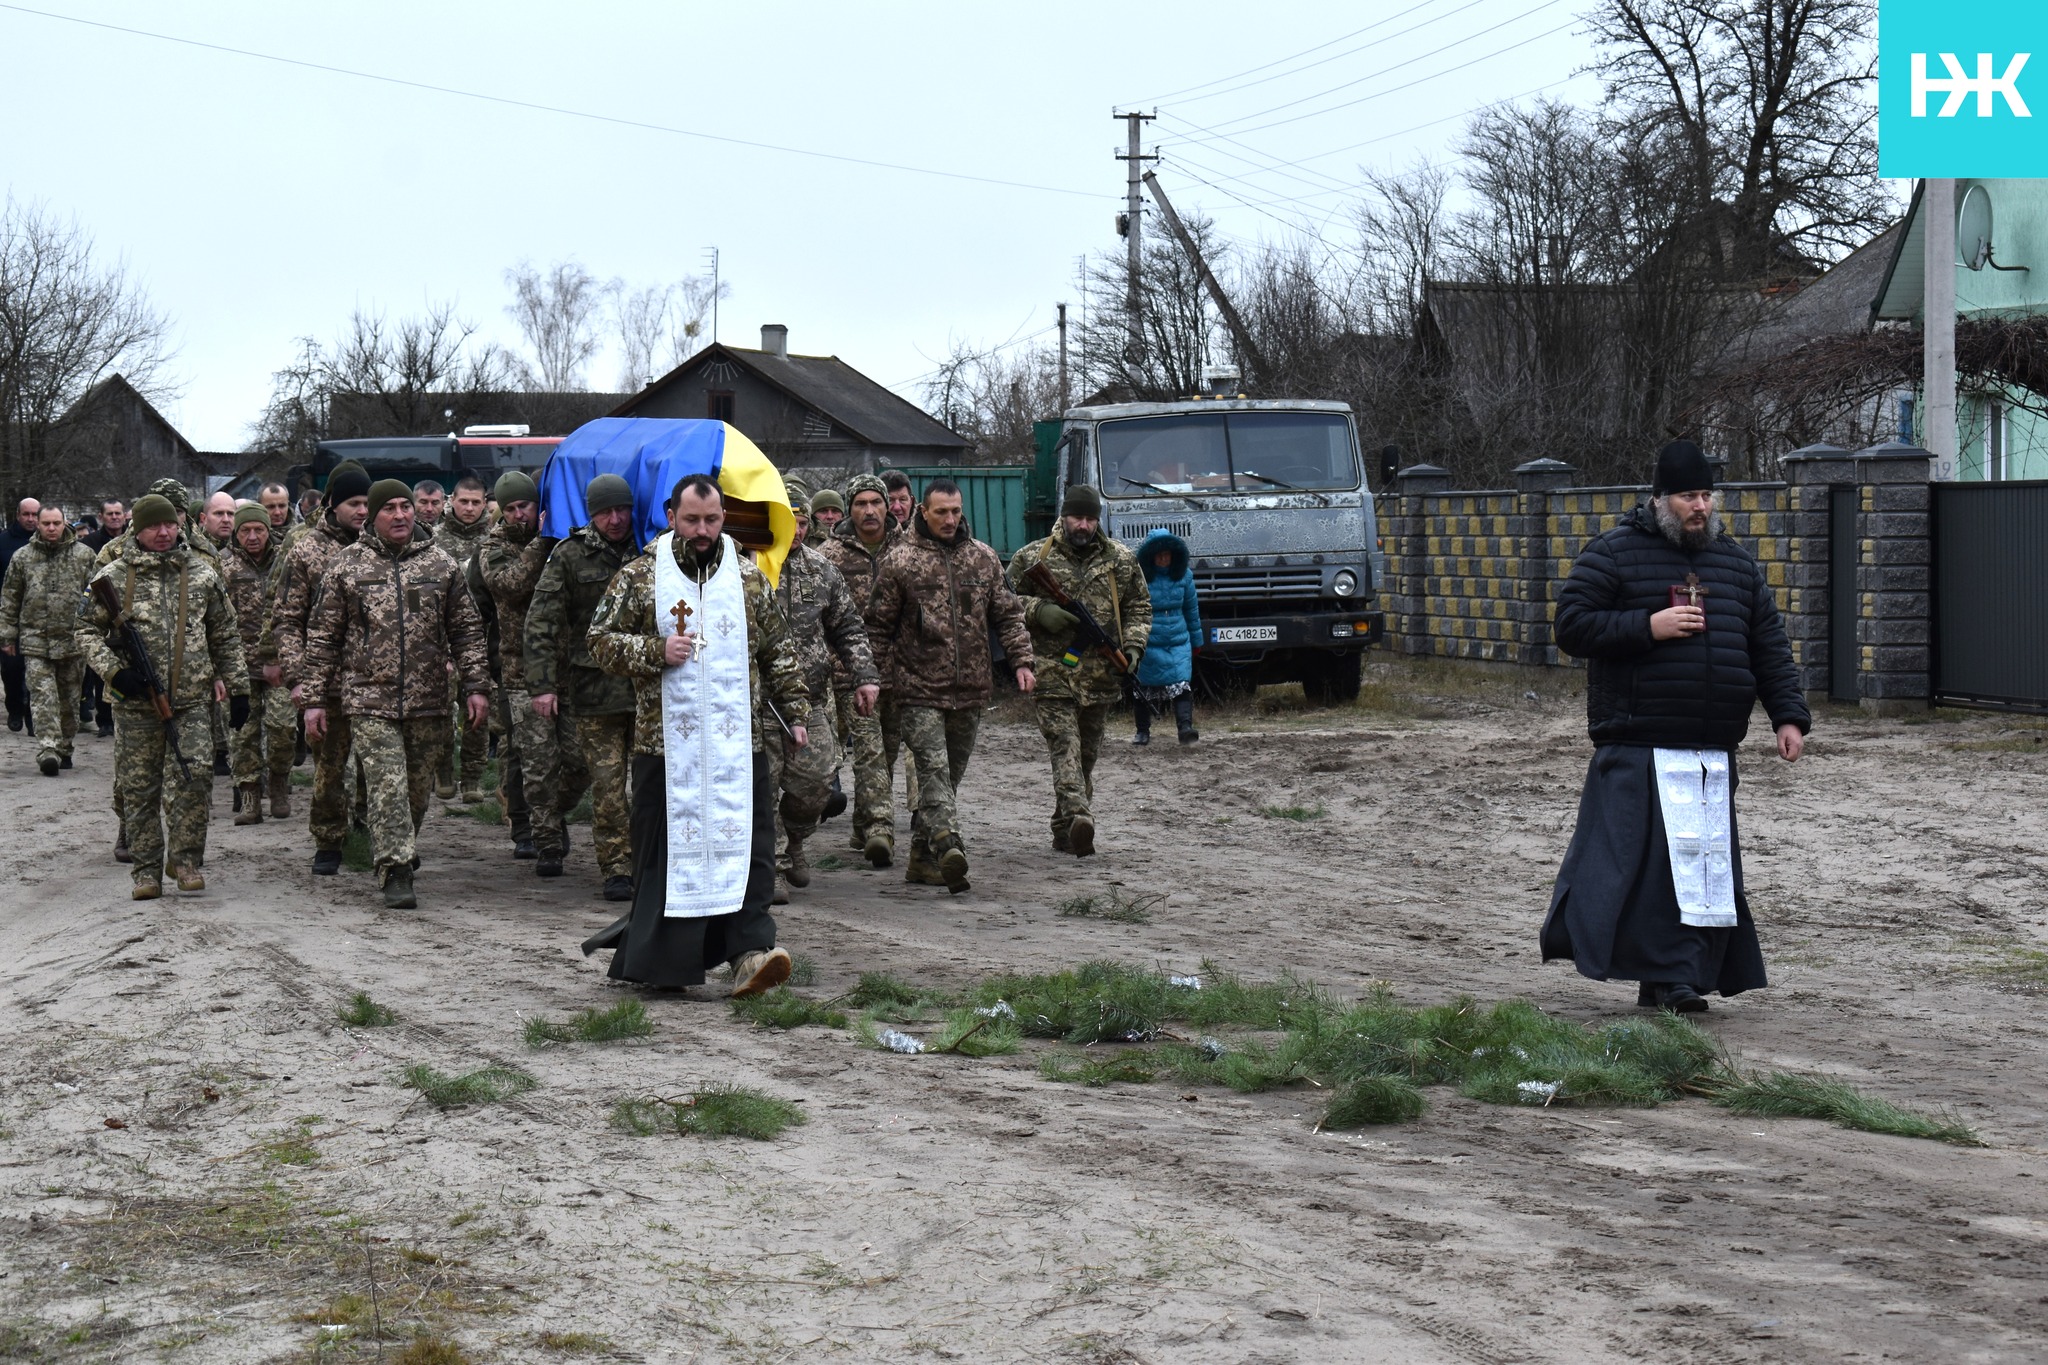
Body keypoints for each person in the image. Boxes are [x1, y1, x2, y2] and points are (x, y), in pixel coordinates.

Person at [1540, 441, 1810, 1013]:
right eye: (1690, 496)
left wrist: (1787, 715)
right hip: (1641, 742)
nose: (1701, 507)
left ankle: (1679, 975)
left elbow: (1768, 646)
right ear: (1661, 499)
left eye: (1708, 495)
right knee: (1652, 874)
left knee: (1705, 868)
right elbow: (1572, 626)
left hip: (1711, 749)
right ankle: (1667, 978)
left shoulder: (1734, 564)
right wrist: (1648, 625)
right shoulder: (1614, 553)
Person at [583, 474, 809, 993]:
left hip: (737, 745)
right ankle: (667, 965)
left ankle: (750, 954)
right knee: (666, 853)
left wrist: (795, 711)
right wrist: (653, 651)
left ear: (723, 517)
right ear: (671, 516)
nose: (702, 529)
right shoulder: (642, 576)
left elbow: (779, 651)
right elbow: (598, 641)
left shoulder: (748, 580)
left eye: (711, 519)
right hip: (665, 747)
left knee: (749, 849)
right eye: (692, 520)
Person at [303, 480, 490, 909]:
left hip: (430, 700)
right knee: (387, 784)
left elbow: (467, 632)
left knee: (415, 793)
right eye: (390, 508)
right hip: (369, 699)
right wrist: (314, 698)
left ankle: (401, 844)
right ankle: (396, 869)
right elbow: (323, 638)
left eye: (407, 506)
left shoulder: (441, 565)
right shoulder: (347, 566)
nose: (402, 514)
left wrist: (476, 686)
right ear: (372, 516)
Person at [76, 494, 250, 899]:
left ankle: (186, 860)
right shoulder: (114, 577)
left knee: (194, 779)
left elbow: (224, 635)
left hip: (190, 701)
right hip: (135, 704)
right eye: (154, 525)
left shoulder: (202, 575)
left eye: (170, 524)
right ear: (138, 528)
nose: (164, 531)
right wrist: (116, 672)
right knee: (140, 789)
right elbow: (84, 632)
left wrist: (238, 687)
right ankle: (146, 870)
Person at [867, 479, 1034, 892]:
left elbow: (1008, 616)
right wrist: (874, 680)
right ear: (923, 512)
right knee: (933, 769)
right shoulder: (901, 561)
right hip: (918, 688)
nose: (949, 519)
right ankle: (949, 845)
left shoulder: (983, 559)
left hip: (971, 688)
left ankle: (922, 861)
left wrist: (1022, 662)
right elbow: (877, 629)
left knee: (948, 778)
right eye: (941, 511)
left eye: (955, 511)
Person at [1007, 486, 1150, 856]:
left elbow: (1139, 606)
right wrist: (1039, 611)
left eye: (1089, 518)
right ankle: (1079, 816)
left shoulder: (1120, 559)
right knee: (1065, 746)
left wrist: (1133, 647)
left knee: (1086, 756)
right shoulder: (1032, 557)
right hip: (1052, 670)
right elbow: (1002, 603)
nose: (1083, 525)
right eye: (1077, 517)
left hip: (1101, 674)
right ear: (1063, 516)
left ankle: (1063, 829)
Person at [526, 473, 641, 898]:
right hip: (594, 692)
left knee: (648, 786)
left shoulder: (651, 549)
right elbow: (540, 622)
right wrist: (542, 685)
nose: (615, 519)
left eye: (621, 509)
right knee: (607, 786)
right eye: (604, 512)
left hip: (649, 691)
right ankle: (616, 868)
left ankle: (647, 860)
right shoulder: (570, 556)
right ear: (590, 514)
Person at [771, 491, 879, 898]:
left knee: (817, 785)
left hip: (809, 700)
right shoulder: (748, 567)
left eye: (802, 523)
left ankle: (795, 839)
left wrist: (864, 676)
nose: (796, 531)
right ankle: (773, 867)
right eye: (788, 521)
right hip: (758, 702)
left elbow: (848, 627)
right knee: (761, 789)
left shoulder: (822, 570)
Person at [478, 471, 585, 871]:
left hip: (569, 668)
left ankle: (553, 817)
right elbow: (510, 584)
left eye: (525, 506)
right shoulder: (494, 547)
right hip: (521, 672)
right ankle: (545, 840)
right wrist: (543, 540)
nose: (519, 514)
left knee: (578, 759)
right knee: (537, 763)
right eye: (510, 509)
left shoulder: (567, 544)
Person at [275, 461, 371, 875]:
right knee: (330, 768)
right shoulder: (306, 550)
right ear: (332, 504)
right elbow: (286, 620)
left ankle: (370, 831)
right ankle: (329, 840)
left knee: (375, 766)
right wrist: (299, 678)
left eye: (368, 503)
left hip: (372, 682)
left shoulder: (378, 547)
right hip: (325, 681)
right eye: (354, 503)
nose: (363, 511)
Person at [817, 475, 905, 865]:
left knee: (886, 752)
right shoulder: (830, 555)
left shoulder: (908, 549)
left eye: (876, 502)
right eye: (860, 504)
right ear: (849, 509)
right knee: (868, 750)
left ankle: (860, 823)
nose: (869, 510)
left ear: (888, 506)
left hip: (900, 671)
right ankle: (879, 829)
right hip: (849, 673)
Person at [0, 503, 97, 775]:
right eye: (46, 524)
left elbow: (97, 597)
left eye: (56, 523)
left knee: (69, 699)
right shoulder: (23, 557)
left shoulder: (84, 556)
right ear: (38, 525)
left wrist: (94, 632)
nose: (51, 528)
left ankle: (65, 745)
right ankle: (47, 748)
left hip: (72, 641)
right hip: (35, 641)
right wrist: (7, 635)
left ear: (65, 522)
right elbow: (10, 598)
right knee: (42, 697)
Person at [223, 505, 294, 823]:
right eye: (245, 531)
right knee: (242, 735)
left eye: (259, 530)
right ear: (236, 534)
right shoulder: (223, 565)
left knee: (283, 730)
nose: (252, 537)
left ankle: (278, 782)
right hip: (238, 667)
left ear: (269, 530)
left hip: (280, 665)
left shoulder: (286, 561)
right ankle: (250, 796)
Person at [433, 475, 492, 800]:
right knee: (441, 710)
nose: (469, 508)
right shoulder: (434, 540)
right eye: (463, 501)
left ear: (484, 503)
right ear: (451, 500)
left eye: (476, 502)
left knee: (478, 711)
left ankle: (471, 777)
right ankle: (443, 772)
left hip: (480, 640)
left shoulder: (492, 539)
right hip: (441, 641)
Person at [1132, 527, 1202, 745]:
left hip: (1178, 641)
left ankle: (1185, 728)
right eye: (1159, 554)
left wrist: (1197, 640)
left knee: (1182, 684)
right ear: (1151, 556)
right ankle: (1142, 731)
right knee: (1141, 688)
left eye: (1167, 554)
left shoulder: (1184, 576)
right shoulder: (1139, 578)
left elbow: (1191, 609)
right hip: (1149, 641)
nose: (1164, 558)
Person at [80, 499, 126, 735]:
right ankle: (104, 719)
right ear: (101, 516)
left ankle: (116, 716)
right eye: (110, 514)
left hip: (126, 609)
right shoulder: (91, 543)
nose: (115, 517)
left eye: (118, 513)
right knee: (102, 669)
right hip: (102, 608)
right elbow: (88, 579)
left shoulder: (132, 541)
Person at [0, 497, 38, 732]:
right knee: (12, 667)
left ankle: (34, 714)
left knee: (37, 668)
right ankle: (14, 708)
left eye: (35, 514)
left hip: (38, 616)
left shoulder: (46, 541)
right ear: (18, 515)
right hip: (10, 614)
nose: (31, 519)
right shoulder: (3, 541)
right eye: (27, 514)